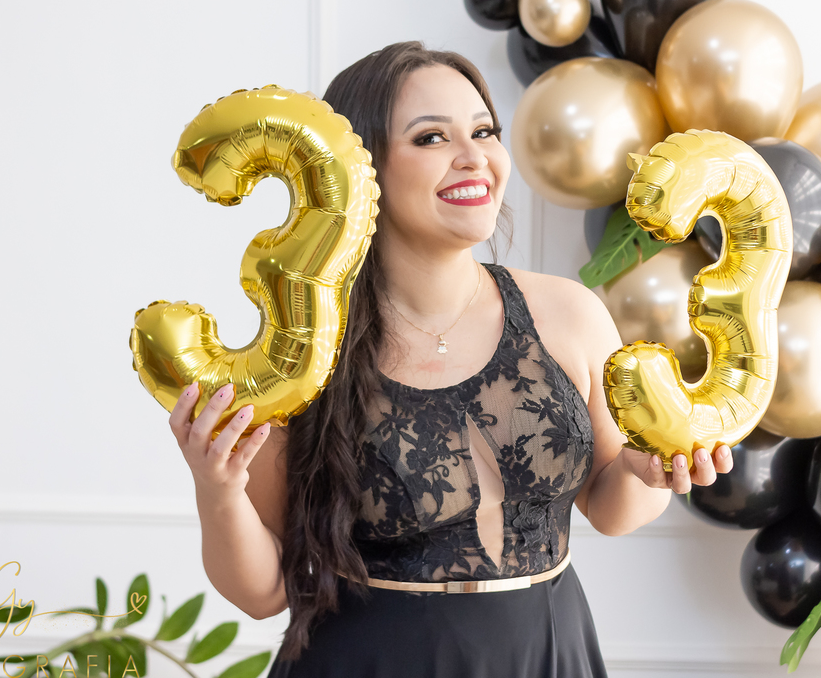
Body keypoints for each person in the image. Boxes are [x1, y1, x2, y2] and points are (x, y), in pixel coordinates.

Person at [166, 41, 734, 677]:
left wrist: (641, 468)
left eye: (484, 130)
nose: (475, 158)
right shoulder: (302, 350)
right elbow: (263, 591)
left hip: (544, 656)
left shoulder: (568, 314)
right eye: (431, 137)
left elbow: (612, 510)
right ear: (359, 169)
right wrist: (217, 489)